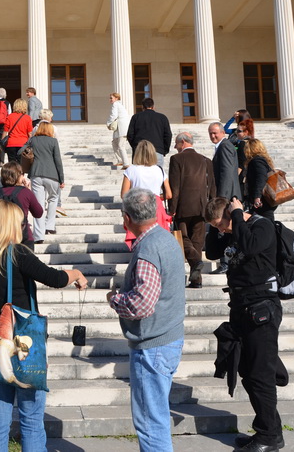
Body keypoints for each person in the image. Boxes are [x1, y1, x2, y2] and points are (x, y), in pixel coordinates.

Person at [0, 199, 88, 451]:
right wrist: (76, 273)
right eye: (21, 222)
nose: (24, 226)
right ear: (10, 225)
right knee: (31, 419)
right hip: (23, 346)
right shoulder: (17, 253)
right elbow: (54, 279)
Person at [107, 188, 185, 452]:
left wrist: (115, 300)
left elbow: (142, 303)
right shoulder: (166, 239)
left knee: (151, 424)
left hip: (153, 345)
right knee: (156, 418)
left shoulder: (148, 249)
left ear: (127, 219)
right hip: (167, 337)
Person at [205, 196, 284, 452]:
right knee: (248, 372)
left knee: (260, 374)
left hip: (262, 309)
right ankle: (271, 430)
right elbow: (213, 252)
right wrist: (215, 228)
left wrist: (237, 215)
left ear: (233, 214)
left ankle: (268, 437)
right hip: (241, 308)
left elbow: (250, 246)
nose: (220, 230)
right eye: (216, 227)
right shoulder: (229, 232)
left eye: (221, 225)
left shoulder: (262, 226)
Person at [168, 132, 215, 288]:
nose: (175, 147)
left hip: (183, 206)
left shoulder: (176, 159)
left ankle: (196, 261)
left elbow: (174, 187)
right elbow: (212, 186)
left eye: (176, 144)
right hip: (202, 207)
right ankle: (196, 280)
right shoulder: (205, 160)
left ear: (183, 142)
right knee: (197, 242)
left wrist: (171, 208)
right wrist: (212, 207)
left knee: (183, 238)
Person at [20, 121, 64, 243]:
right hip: (53, 175)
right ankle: (50, 226)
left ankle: (39, 236)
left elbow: (20, 151)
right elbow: (58, 161)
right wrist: (62, 179)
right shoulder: (53, 141)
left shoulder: (33, 140)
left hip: (36, 174)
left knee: (38, 205)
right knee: (53, 198)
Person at [0, 161, 43, 249]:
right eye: (22, 173)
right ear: (18, 175)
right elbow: (38, 213)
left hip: (0, 238)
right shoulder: (25, 192)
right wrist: (29, 191)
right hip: (23, 236)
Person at [120, 140, 172, 240]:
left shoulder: (131, 170)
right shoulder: (159, 170)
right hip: (156, 208)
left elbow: (124, 195)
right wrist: (154, 197)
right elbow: (169, 194)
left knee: (139, 240)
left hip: (137, 207)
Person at [208, 122, 242, 274]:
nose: (213, 136)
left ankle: (226, 263)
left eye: (215, 133)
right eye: (210, 133)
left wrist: (222, 199)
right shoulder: (222, 146)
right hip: (227, 195)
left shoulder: (225, 146)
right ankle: (226, 262)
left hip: (227, 197)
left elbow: (227, 173)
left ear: (222, 132)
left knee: (224, 229)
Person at [126, 98, 172, 168]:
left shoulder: (136, 117)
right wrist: (164, 150)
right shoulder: (162, 118)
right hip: (157, 151)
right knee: (157, 176)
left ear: (142, 107)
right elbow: (168, 135)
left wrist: (136, 147)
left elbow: (130, 135)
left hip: (140, 151)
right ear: (153, 107)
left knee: (139, 176)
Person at [243, 138, 278, 222]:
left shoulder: (257, 161)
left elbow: (261, 178)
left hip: (262, 201)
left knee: (266, 224)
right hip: (265, 201)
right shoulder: (263, 160)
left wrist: (257, 197)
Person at [2, 98, 33, 164]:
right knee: (21, 165)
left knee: (12, 165)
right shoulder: (27, 118)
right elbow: (30, 133)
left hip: (11, 143)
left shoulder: (9, 117)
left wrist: (2, 143)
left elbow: (5, 131)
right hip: (23, 144)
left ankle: (13, 174)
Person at [107, 92, 131, 168]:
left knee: (121, 146)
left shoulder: (115, 104)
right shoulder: (119, 105)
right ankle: (120, 160)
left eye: (111, 98)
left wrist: (108, 123)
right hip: (119, 129)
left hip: (122, 129)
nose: (110, 99)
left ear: (116, 98)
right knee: (114, 143)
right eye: (110, 98)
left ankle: (126, 163)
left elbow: (114, 115)